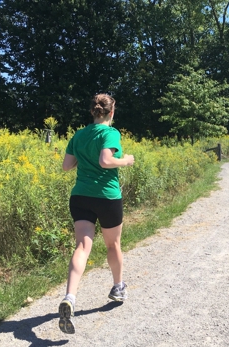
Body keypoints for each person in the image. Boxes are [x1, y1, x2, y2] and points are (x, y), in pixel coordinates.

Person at [58, 93, 135, 334]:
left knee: (82, 246)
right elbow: (105, 160)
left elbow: (66, 166)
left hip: (80, 196)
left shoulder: (79, 135)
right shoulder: (111, 133)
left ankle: (70, 297)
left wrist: (84, 156)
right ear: (111, 113)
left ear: (93, 112)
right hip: (106, 197)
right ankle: (117, 287)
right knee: (113, 245)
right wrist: (127, 160)